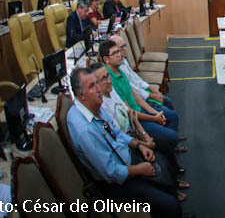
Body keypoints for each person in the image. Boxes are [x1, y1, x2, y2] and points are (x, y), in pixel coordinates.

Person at [66, 67, 188, 218]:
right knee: (170, 206)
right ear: (81, 95)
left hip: (126, 157)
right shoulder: (86, 131)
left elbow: (116, 132)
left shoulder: (95, 107)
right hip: (117, 182)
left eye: (97, 83)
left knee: (165, 167)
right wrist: (139, 169)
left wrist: (139, 145)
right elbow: (110, 172)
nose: (99, 89)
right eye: (92, 86)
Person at [91, 63, 189, 198]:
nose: (109, 80)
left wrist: (144, 134)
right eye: (104, 78)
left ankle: (172, 180)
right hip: (129, 140)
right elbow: (118, 134)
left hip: (135, 129)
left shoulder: (111, 89)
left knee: (165, 144)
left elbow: (129, 113)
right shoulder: (101, 106)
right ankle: (171, 187)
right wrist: (142, 142)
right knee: (164, 148)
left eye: (108, 76)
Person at [99, 39, 180, 148]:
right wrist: (153, 118)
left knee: (172, 117)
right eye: (115, 53)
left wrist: (154, 112)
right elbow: (128, 111)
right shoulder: (110, 81)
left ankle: (169, 144)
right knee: (172, 136)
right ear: (106, 59)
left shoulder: (119, 69)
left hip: (140, 110)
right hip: (137, 120)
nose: (119, 55)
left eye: (119, 51)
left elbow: (135, 96)